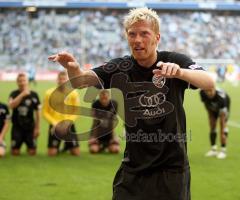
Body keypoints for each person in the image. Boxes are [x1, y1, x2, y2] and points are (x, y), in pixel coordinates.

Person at [49, 7, 214, 200]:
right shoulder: (120, 66)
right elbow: (81, 82)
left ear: (157, 37)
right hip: (133, 168)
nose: (137, 40)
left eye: (144, 34)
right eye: (132, 34)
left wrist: (180, 72)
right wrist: (73, 68)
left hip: (171, 170)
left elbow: (209, 82)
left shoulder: (173, 61)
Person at [42, 71, 80, 156]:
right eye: (60, 79)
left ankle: (67, 145)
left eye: (64, 79)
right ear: (57, 80)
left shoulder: (73, 93)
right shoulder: (49, 93)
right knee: (51, 154)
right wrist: (54, 123)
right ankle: (60, 145)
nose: (62, 81)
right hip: (55, 124)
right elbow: (45, 111)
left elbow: (76, 111)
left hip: (68, 124)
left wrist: (68, 122)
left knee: (76, 153)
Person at [9, 73, 41, 156]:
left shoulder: (34, 95)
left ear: (27, 81)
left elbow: (38, 113)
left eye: (24, 80)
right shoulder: (13, 94)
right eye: (20, 81)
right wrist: (22, 94)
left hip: (30, 127)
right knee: (15, 153)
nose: (22, 83)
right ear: (17, 82)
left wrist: (37, 128)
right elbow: (11, 106)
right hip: (17, 127)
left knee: (32, 152)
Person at [200, 88, 230, 159]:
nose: (209, 93)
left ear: (214, 90)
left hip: (224, 106)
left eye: (211, 91)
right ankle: (213, 150)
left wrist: (223, 127)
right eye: (207, 91)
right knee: (212, 126)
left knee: (223, 127)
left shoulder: (221, 98)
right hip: (212, 107)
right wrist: (211, 118)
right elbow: (207, 104)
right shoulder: (202, 92)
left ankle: (223, 150)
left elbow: (222, 116)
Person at [89, 89, 120, 154]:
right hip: (98, 134)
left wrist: (114, 137)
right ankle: (100, 146)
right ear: (99, 97)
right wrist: (93, 137)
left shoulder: (114, 104)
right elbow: (95, 122)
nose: (104, 100)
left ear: (109, 97)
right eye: (102, 98)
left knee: (116, 150)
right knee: (93, 150)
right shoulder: (95, 105)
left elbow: (112, 122)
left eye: (105, 98)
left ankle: (107, 146)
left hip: (109, 134)